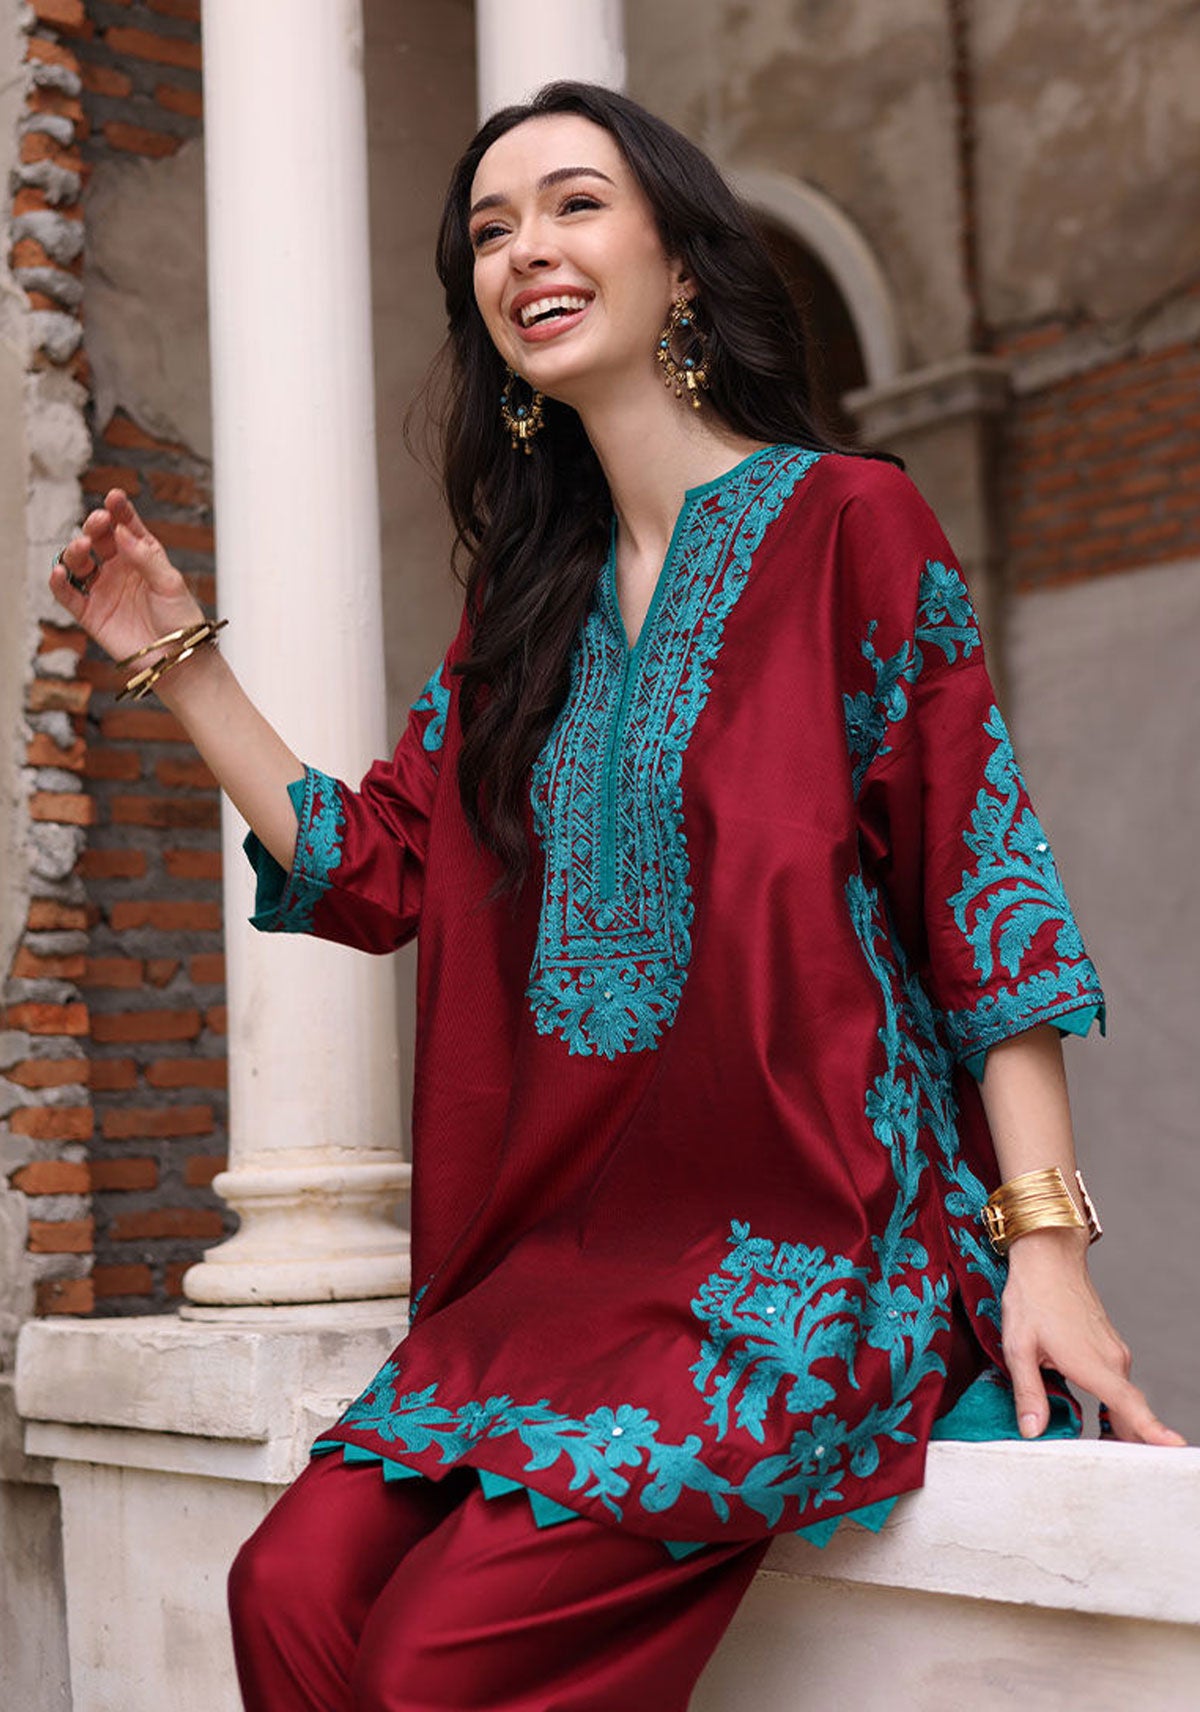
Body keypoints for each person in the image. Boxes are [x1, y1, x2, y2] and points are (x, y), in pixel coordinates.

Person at [51, 79, 1186, 1712]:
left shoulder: (849, 526)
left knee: (428, 1665)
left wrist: (1047, 1251)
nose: (525, 249)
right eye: (489, 231)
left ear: (683, 266)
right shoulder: (527, 613)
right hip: (555, 1272)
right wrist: (178, 656)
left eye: (575, 204)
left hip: (808, 1260)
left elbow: (983, 893)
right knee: (283, 1588)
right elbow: (376, 869)